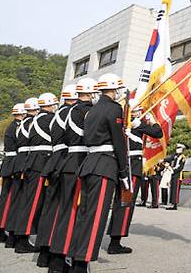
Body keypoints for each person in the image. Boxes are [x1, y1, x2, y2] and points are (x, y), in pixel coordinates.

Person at [65, 73, 130, 273]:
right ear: (114, 89)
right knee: (96, 217)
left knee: (85, 214)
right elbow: (118, 143)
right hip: (105, 166)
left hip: (90, 163)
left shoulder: (92, 111)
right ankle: (81, 263)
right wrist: (123, 169)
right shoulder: (113, 108)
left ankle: (75, 256)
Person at [48, 78, 99, 273]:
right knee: (75, 215)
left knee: (64, 213)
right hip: (80, 162)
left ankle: (56, 261)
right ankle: (67, 259)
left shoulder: (67, 111)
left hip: (67, 162)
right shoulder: (87, 111)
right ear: (92, 93)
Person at [106, 102, 163, 254]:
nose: (140, 114)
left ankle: (113, 238)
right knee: (126, 203)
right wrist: (152, 121)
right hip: (132, 167)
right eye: (138, 111)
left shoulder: (119, 122)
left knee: (119, 202)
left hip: (118, 164)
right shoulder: (137, 123)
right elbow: (158, 132)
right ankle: (115, 243)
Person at [35, 88, 77, 267]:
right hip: (67, 161)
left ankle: (43, 253)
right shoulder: (73, 113)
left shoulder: (57, 115)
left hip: (53, 161)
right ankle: (58, 256)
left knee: (50, 209)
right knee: (64, 210)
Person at [12, 93, 57, 253]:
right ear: (51, 105)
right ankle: (22, 240)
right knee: (34, 202)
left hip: (33, 160)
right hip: (41, 161)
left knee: (28, 201)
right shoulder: (49, 119)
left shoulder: (34, 119)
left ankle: (19, 237)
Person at [3, 98, 38, 249]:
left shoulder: (19, 124)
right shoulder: (31, 123)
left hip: (18, 162)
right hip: (26, 161)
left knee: (16, 200)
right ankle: (20, 238)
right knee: (24, 201)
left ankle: (12, 235)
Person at [0, 103, 25, 244]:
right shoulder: (18, 126)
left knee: (5, 198)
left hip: (9, 163)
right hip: (14, 163)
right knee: (11, 198)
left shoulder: (12, 125)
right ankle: (4, 232)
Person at [166, 143, 187, 210]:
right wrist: (163, 160)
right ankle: (172, 203)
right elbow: (169, 158)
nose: (177, 150)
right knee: (172, 189)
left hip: (178, 175)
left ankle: (175, 204)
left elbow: (180, 167)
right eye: (177, 148)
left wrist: (173, 170)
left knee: (176, 189)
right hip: (173, 173)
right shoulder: (175, 156)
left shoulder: (182, 157)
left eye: (178, 148)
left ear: (182, 149)